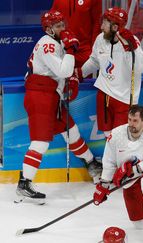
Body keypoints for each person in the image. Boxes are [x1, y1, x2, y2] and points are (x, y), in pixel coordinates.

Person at [15, 10, 102, 205]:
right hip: (40, 97)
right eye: (58, 26)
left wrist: (69, 79)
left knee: (71, 130)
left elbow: (64, 73)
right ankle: (24, 183)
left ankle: (91, 163)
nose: (62, 29)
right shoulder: (47, 44)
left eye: (63, 24)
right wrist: (71, 53)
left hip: (50, 95)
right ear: (48, 29)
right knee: (40, 142)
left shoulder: (57, 42)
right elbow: (64, 69)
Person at [93, 105, 143, 243]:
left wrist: (133, 170)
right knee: (139, 224)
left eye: (135, 120)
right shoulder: (116, 134)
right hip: (130, 178)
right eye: (129, 119)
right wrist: (104, 184)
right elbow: (109, 161)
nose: (131, 124)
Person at [78, 7, 143, 138]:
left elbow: (142, 68)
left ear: (115, 26)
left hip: (124, 98)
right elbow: (94, 60)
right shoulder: (100, 39)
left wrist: (131, 49)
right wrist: (79, 73)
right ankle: (111, 158)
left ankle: (121, 159)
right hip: (104, 93)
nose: (101, 26)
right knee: (107, 134)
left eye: (105, 23)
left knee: (121, 136)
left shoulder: (131, 41)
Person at [51, 0, 102, 68]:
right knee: (62, 77)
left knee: (83, 76)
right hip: (62, 49)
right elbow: (51, 19)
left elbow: (97, 23)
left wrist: (94, 48)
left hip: (84, 50)